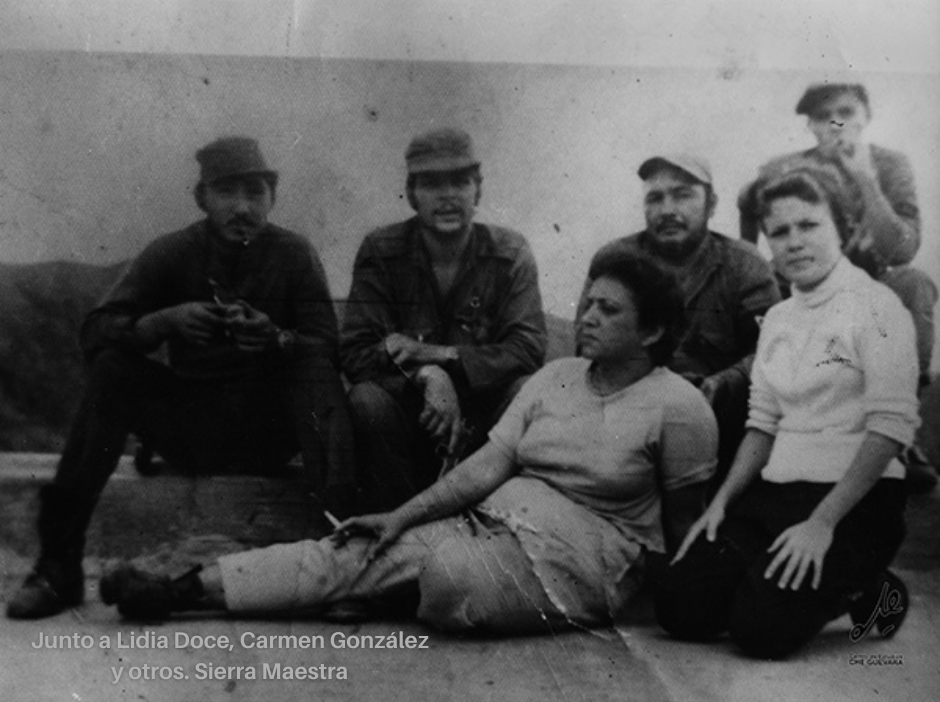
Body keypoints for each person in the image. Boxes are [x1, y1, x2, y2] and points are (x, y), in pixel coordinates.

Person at [98, 253, 718, 634]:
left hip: (585, 561)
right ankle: (184, 589)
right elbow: (486, 467)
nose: (586, 316)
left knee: (450, 580)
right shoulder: (553, 378)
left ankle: (397, 586)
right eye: (587, 302)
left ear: (654, 329)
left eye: (608, 310)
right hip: (492, 523)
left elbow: (680, 528)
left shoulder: (679, 407)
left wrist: (669, 608)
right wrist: (399, 516)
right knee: (357, 546)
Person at [6, 137, 354, 620]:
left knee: (315, 372)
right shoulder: (173, 252)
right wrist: (163, 322)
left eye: (255, 193)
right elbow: (95, 332)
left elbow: (330, 349)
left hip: (269, 432)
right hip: (192, 428)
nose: (241, 208)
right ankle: (58, 565)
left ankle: (345, 563)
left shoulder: (294, 255)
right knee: (113, 368)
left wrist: (278, 339)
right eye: (226, 193)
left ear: (272, 197)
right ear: (202, 198)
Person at [655, 165, 920, 660]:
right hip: (775, 496)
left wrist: (822, 524)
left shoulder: (878, 307)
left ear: (842, 227)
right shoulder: (777, 317)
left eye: (809, 225)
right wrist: (722, 503)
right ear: (768, 244)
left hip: (857, 503)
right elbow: (763, 423)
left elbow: (890, 428)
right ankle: (788, 579)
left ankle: (873, 587)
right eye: (779, 232)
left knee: (760, 631)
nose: (794, 242)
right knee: (679, 606)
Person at [738, 83, 937, 489]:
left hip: (870, 280)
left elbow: (902, 249)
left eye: (847, 110)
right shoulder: (785, 166)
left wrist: (865, 179)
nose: (837, 122)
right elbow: (747, 201)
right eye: (823, 115)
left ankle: (901, 432)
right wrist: (753, 257)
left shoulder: (890, 164)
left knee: (915, 285)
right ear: (810, 125)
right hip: (806, 287)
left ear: (866, 116)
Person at [340, 128, 547, 511]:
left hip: (484, 425)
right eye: (432, 183)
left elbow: (529, 348)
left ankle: (494, 520)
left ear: (478, 190)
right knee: (367, 400)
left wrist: (441, 356)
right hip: (410, 417)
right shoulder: (381, 251)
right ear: (412, 192)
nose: (448, 195)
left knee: (526, 389)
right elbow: (355, 352)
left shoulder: (511, 253)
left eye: (460, 181)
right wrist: (426, 375)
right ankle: (394, 523)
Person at [584, 154, 780, 479]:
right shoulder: (615, 259)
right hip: (627, 414)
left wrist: (723, 385)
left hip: (716, 423)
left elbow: (773, 351)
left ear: (712, 204)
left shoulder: (745, 265)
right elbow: (587, 340)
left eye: (683, 195)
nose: (668, 210)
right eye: (655, 198)